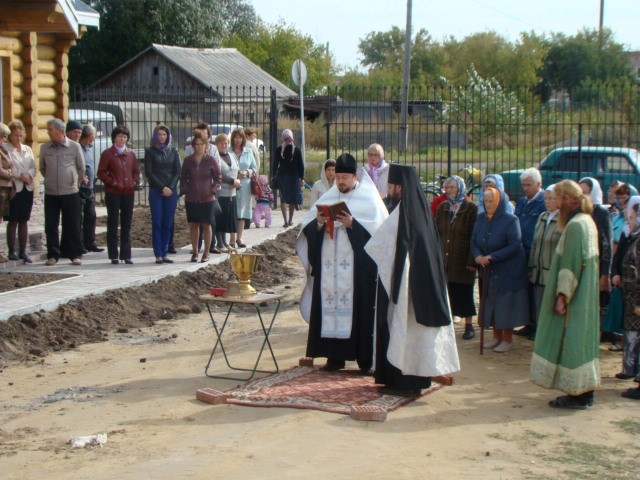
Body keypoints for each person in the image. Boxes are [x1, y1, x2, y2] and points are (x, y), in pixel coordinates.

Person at [365, 164, 459, 394]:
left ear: (401, 187)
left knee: (406, 333)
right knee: (415, 337)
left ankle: (405, 384)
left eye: (391, 187)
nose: (389, 191)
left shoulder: (404, 213)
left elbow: (383, 244)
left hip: (408, 289)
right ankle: (412, 381)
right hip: (419, 285)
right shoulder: (421, 210)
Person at [296, 153, 388, 372]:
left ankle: (364, 359)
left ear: (355, 177)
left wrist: (353, 224)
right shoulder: (329, 197)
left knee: (360, 311)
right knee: (330, 308)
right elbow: (308, 230)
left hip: (356, 271)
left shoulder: (369, 199)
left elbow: (379, 235)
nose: (341, 182)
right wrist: (319, 223)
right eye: (338, 178)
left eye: (345, 177)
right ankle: (334, 357)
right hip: (330, 269)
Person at [530, 180, 600, 410]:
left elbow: (570, 266)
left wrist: (562, 296)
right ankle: (580, 392)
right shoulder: (586, 221)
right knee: (581, 341)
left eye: (558, 199)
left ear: (568, 199)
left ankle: (580, 395)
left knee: (572, 341)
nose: (556, 204)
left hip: (575, 299)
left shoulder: (576, 226)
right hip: (584, 297)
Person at [471, 187, 529, 352]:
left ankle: (507, 339)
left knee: (505, 304)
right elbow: (474, 240)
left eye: (491, 201)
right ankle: (496, 337)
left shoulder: (511, 220)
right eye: (486, 201)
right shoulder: (481, 218)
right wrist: (478, 256)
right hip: (488, 270)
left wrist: (492, 257)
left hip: (506, 270)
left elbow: (515, 244)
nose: (488, 204)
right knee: (491, 303)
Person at [435, 175, 478, 340]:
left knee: (464, 292)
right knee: (448, 291)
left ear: (460, 188)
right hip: (445, 258)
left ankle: (469, 325)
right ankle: (448, 324)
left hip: (463, 259)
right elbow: (436, 231)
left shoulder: (471, 208)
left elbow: (475, 236)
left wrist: (472, 260)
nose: (448, 190)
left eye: (452, 187)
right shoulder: (443, 207)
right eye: (446, 187)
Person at [40, 118, 85, 266]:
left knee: (72, 224)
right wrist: (50, 180)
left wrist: (74, 182)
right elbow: (42, 168)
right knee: (51, 225)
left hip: (70, 192)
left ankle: (75, 254)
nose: (48, 132)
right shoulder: (45, 148)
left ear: (60, 130)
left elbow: (81, 168)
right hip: (51, 193)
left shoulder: (74, 146)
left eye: (50, 129)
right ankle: (53, 255)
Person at [98, 125, 140, 265]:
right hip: (113, 192)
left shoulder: (131, 154)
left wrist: (135, 181)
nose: (122, 139)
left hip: (128, 192)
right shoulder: (107, 154)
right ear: (114, 138)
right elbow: (101, 172)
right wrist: (112, 182)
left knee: (127, 224)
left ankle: (126, 255)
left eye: (125, 137)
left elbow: (136, 170)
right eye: (120, 136)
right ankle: (113, 255)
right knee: (113, 223)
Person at [579, 177, 613, 342]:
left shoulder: (602, 214)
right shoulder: (579, 212)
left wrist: (604, 274)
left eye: (585, 193)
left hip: (597, 267)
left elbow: (607, 246)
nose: (582, 196)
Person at [514, 168, 546, 339]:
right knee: (525, 289)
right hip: (521, 252)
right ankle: (529, 323)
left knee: (536, 291)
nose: (525, 188)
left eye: (529, 185)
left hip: (535, 252)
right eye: (524, 185)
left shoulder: (544, 202)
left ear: (538, 184)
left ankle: (538, 326)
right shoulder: (521, 202)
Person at [180, 131, 222, 263]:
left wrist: (212, 189)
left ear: (206, 145)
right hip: (192, 198)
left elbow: (218, 177)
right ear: (193, 146)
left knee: (207, 224)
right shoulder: (188, 160)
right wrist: (185, 189)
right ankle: (195, 252)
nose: (199, 147)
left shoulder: (211, 160)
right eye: (197, 144)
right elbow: (183, 177)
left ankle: (206, 252)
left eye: (201, 144)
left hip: (207, 198)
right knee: (194, 224)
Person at [145, 124, 181, 264]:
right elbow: (149, 172)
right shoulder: (150, 151)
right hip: (156, 191)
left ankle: (165, 252)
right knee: (157, 223)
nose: (161, 137)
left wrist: (170, 187)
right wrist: (162, 187)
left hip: (171, 192)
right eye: (159, 134)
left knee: (168, 222)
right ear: (155, 136)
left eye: (164, 135)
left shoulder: (173, 151)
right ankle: (158, 254)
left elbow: (177, 171)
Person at [528, 185, 561, 337]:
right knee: (539, 306)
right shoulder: (542, 216)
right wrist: (531, 266)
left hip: (552, 272)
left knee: (550, 308)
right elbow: (535, 243)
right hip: (538, 271)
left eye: (552, 198)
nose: (548, 201)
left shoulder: (563, 219)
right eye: (546, 198)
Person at [4, 120, 35, 264]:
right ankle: (12, 251)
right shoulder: (5, 149)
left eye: (20, 135)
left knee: (24, 220)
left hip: (27, 187)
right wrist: (19, 176)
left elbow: (33, 166)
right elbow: (7, 167)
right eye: (16, 135)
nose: (18, 138)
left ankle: (23, 251)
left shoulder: (27, 149)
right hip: (14, 187)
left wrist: (29, 175)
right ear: (10, 135)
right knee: (13, 220)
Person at [619, 196, 640, 400]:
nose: (630, 220)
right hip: (633, 300)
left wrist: (637, 303)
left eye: (633, 217)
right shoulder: (635, 239)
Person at [77, 124, 104, 254]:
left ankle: (90, 242)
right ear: (90, 135)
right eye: (94, 135)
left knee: (91, 216)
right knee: (81, 218)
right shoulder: (79, 149)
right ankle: (81, 244)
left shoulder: (88, 148)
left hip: (90, 188)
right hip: (81, 188)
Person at [229, 128, 257, 248]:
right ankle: (231, 239)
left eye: (240, 137)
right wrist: (235, 174)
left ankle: (239, 238)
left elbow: (254, 168)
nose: (238, 140)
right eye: (236, 137)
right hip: (231, 185)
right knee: (232, 213)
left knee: (242, 213)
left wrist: (247, 172)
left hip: (245, 186)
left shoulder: (248, 152)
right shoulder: (229, 151)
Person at [214, 133, 240, 253]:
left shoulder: (232, 155)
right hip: (221, 193)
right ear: (216, 144)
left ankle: (225, 242)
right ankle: (219, 243)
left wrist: (237, 182)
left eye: (225, 143)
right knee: (220, 218)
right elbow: (218, 174)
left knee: (227, 218)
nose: (224, 145)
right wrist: (231, 181)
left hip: (232, 193)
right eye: (221, 143)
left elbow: (236, 170)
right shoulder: (215, 157)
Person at [272, 129, 304, 227]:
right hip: (294, 178)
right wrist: (302, 178)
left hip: (282, 177)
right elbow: (301, 166)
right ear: (292, 137)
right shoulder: (297, 150)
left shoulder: (279, 149)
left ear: (283, 137)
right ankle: (290, 220)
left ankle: (285, 221)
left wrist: (273, 175)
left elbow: (275, 164)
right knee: (292, 200)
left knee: (283, 199)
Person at [0, 123, 15, 263]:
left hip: (4, 189)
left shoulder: (2, 149)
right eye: (4, 136)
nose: (5, 139)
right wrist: (11, 173)